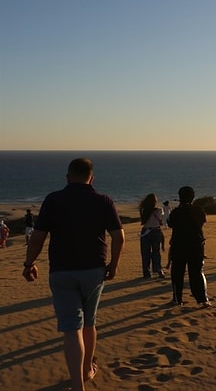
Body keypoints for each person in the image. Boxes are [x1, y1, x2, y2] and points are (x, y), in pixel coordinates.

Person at [22, 157, 125, 391]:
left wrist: (29, 264)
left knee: (71, 328)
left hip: (62, 271)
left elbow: (38, 236)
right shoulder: (103, 201)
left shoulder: (53, 200)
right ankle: (88, 369)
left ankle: (78, 385)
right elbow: (119, 236)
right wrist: (114, 265)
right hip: (94, 271)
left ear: (68, 177)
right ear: (92, 178)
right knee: (89, 323)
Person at [168, 186, 210, 307]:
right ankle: (203, 299)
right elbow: (202, 222)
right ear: (193, 197)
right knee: (197, 272)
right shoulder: (198, 210)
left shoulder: (176, 212)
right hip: (196, 245)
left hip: (179, 245)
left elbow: (170, 224)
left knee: (177, 273)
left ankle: (177, 298)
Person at [139, 193, 165, 279]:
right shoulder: (159, 210)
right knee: (156, 251)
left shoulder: (143, 210)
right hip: (156, 231)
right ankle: (158, 269)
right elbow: (161, 220)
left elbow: (143, 221)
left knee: (145, 253)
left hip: (145, 232)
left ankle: (146, 272)